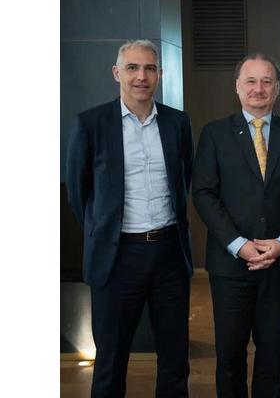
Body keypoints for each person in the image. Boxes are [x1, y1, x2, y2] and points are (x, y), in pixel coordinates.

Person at [66, 40, 194, 397]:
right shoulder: (90, 124)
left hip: (169, 255)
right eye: (133, 68)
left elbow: (184, 178)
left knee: (175, 362)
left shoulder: (177, 122)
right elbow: (79, 193)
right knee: (110, 363)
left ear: (160, 74)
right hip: (117, 257)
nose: (141, 76)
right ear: (116, 73)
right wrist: (104, 233)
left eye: (149, 68)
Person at [192, 53, 280, 398]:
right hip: (230, 263)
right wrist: (238, 244)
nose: (258, 88)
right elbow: (203, 194)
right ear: (237, 87)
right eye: (250, 81)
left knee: (271, 354)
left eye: (266, 81)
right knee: (229, 355)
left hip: (279, 263)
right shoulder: (215, 134)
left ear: (277, 88)